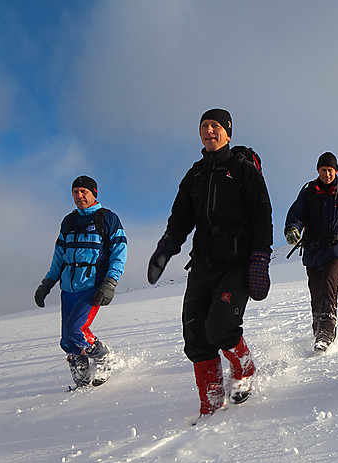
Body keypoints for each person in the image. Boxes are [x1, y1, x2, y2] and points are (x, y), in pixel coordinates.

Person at [147, 108, 273, 422]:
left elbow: (262, 215)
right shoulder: (196, 174)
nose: (209, 130)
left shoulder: (243, 170)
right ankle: (212, 405)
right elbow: (180, 219)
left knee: (220, 328)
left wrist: (260, 260)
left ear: (228, 133)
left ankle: (244, 368)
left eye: (216, 125)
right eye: (204, 126)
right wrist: (166, 249)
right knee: (196, 336)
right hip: (202, 265)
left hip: (237, 264)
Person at [34, 176, 127, 388]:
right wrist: (47, 283)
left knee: (77, 330)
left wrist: (110, 282)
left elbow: (119, 252)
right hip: (67, 288)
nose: (79, 196)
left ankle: (103, 356)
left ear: (94, 193)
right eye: (75, 192)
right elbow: (59, 255)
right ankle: (81, 373)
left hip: (92, 287)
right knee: (67, 340)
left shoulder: (107, 218)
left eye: (83, 191)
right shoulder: (69, 221)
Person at [284, 152, 338, 352]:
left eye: (330, 170)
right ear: (318, 171)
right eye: (323, 170)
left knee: (329, 285)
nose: (327, 174)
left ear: (335, 171)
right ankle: (318, 329)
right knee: (316, 290)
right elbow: (297, 213)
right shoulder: (309, 192)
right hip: (313, 250)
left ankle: (326, 333)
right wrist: (293, 228)